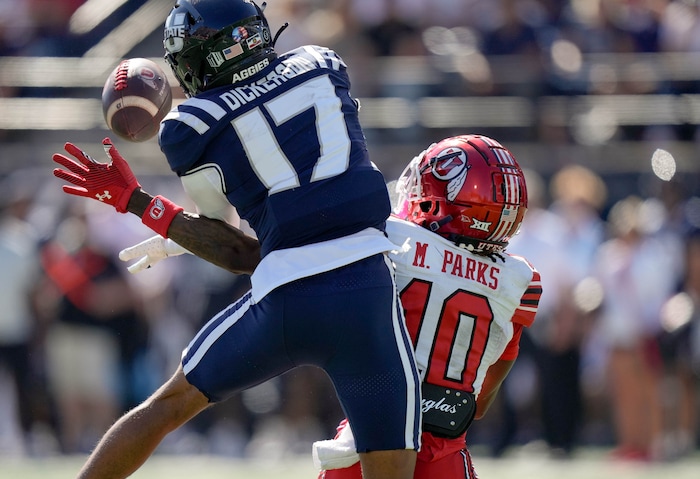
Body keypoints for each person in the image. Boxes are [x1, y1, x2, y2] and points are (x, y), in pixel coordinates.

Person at [51, 1, 420, 478]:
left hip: (286, 298)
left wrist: (138, 203)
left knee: (169, 405)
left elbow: (238, 252)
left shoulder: (192, 124)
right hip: (367, 294)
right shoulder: (321, 64)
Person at [312, 135, 542, 478]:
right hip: (445, 457)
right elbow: (480, 404)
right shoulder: (519, 281)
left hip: (364, 449)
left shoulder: (388, 240)